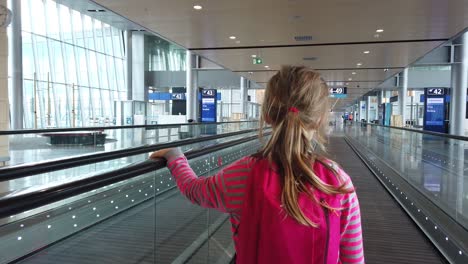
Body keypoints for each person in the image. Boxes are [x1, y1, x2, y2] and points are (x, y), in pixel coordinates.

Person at [150, 66, 364, 264]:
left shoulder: (244, 174)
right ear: (319, 120)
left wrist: (175, 156)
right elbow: (354, 258)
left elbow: (194, 190)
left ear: (267, 116)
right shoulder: (337, 182)